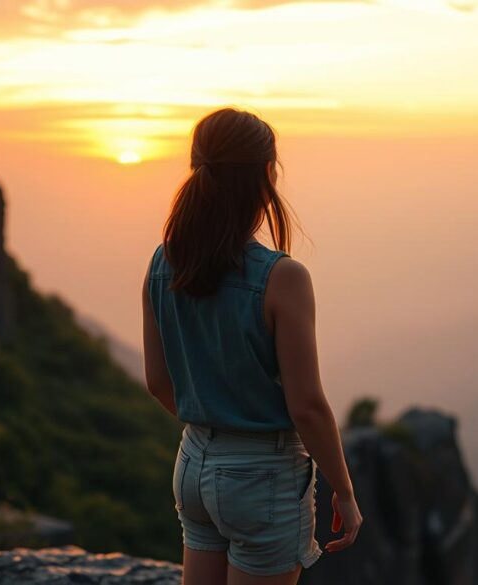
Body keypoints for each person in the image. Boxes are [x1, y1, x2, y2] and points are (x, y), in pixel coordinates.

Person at [141, 107, 362, 585]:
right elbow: (307, 405)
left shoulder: (164, 262)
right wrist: (343, 490)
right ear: (266, 175)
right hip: (262, 475)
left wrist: (212, 426)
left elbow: (158, 381)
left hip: (193, 463)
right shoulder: (281, 278)